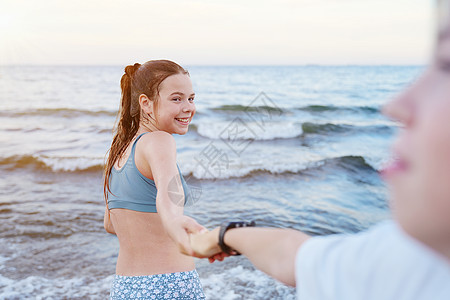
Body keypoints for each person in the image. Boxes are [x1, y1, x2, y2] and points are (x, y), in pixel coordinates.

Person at [189, 2, 450, 299]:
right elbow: (291, 255)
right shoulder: (411, 258)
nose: (394, 106)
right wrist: (219, 237)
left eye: (446, 65)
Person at [103, 60, 207, 299]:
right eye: (177, 99)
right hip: (169, 285)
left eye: (191, 98)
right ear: (146, 103)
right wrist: (173, 222)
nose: (188, 107)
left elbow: (110, 224)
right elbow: (168, 194)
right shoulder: (159, 140)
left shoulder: (118, 152)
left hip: (125, 288)